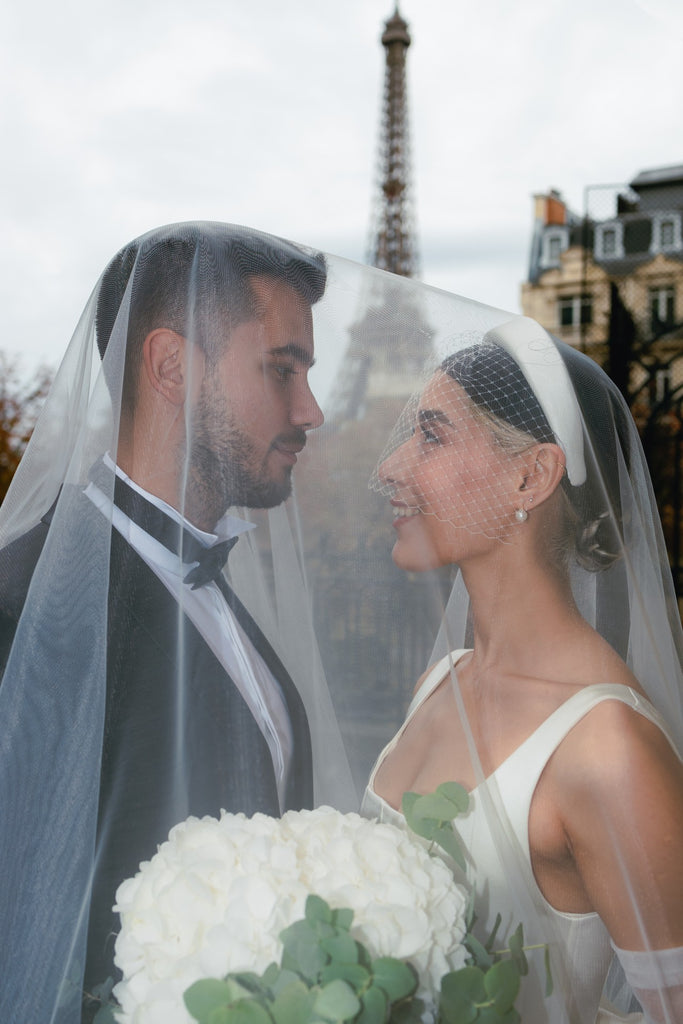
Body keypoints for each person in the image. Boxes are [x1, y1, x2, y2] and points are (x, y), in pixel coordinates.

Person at [0, 222, 353, 1023]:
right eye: (281, 369)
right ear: (168, 366)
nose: (312, 408)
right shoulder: (22, 608)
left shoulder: (225, 594)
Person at [362, 316, 683, 1023]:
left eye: (432, 435)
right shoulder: (438, 681)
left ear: (531, 475)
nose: (389, 468)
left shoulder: (608, 751)